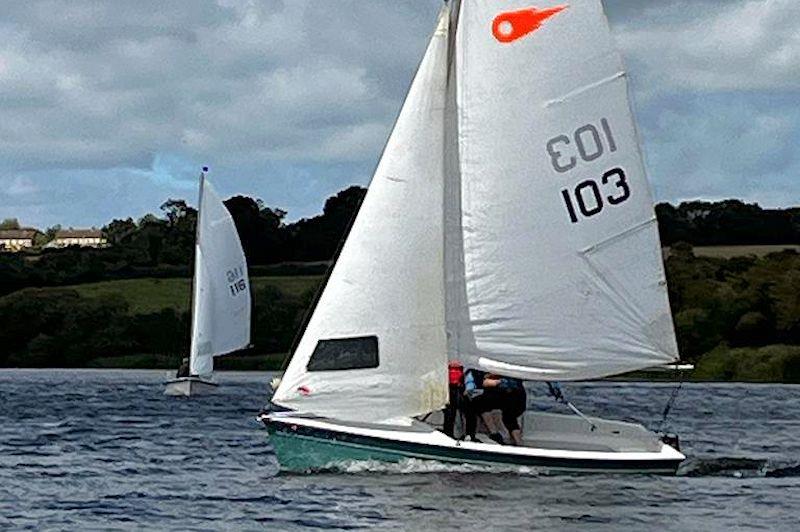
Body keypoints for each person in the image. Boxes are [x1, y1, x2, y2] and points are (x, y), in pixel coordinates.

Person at [463, 369, 527, 445]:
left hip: (509, 396)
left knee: (480, 404)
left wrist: (494, 382)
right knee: (509, 417)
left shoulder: (477, 371)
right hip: (514, 397)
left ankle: (494, 433)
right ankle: (518, 441)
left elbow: (483, 384)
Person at [443, 361, 464, 437]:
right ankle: (447, 431)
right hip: (447, 385)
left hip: (456, 386)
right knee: (449, 410)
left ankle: (450, 432)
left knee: (452, 410)